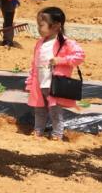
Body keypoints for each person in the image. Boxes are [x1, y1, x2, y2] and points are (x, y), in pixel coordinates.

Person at [26, 7, 84, 141]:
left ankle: (57, 134)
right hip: (40, 83)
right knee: (39, 109)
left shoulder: (66, 43)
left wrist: (61, 60)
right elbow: (34, 64)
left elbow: (80, 56)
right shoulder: (40, 43)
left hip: (54, 84)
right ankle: (38, 131)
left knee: (55, 111)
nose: (38, 28)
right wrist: (30, 82)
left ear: (56, 26)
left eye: (41, 25)